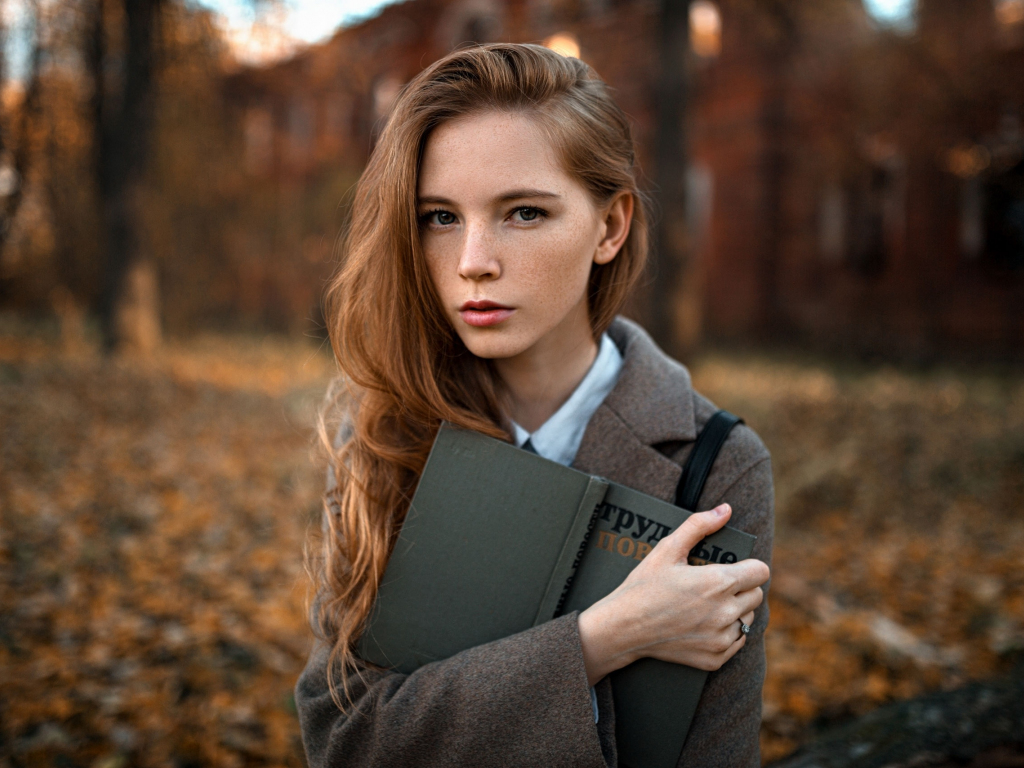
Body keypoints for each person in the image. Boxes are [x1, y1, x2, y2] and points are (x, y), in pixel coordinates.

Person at [295, 43, 774, 768]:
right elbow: (344, 740)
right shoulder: (384, 434)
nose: (473, 261)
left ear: (609, 227)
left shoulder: (718, 465)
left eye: (522, 212)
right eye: (439, 217)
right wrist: (600, 642)